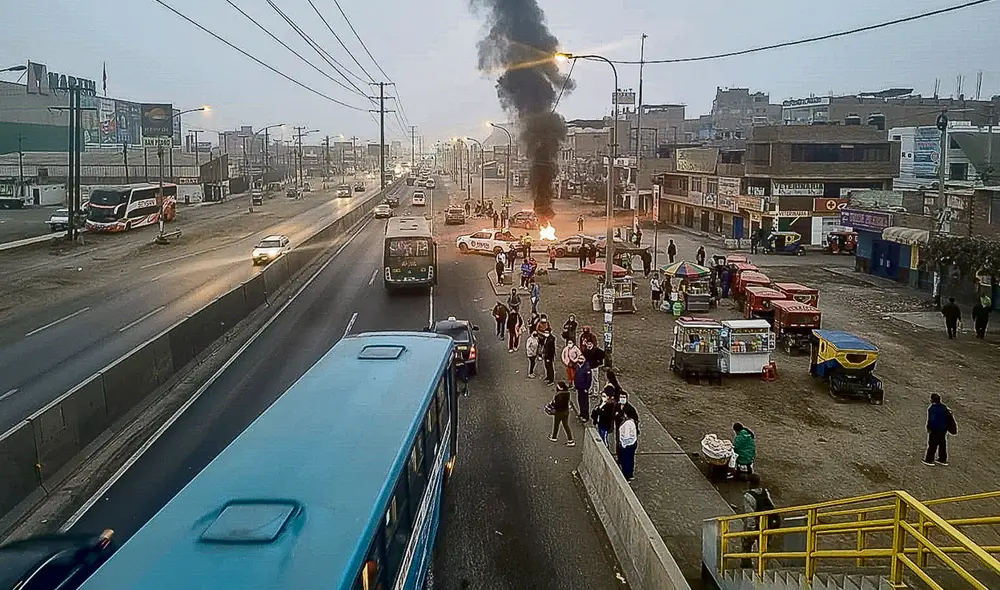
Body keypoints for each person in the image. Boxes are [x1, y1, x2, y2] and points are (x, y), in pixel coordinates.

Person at [740, 475, 780, 567]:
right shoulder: (765, 492)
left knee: (746, 545)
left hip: (757, 525)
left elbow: (750, 515)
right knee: (765, 546)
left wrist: (750, 531)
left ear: (749, 483)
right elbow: (772, 506)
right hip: (768, 524)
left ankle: (746, 565)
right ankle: (764, 566)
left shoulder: (748, 496)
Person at [923, 393, 956, 466]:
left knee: (932, 444)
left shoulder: (932, 408)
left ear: (932, 400)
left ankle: (929, 460)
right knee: (942, 444)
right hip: (943, 429)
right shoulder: (944, 407)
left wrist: (929, 428)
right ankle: (942, 459)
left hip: (935, 429)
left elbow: (931, 420)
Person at [617, 394, 639, 481]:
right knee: (631, 459)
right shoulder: (632, 422)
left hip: (627, 445)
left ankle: (626, 476)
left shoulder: (627, 424)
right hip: (633, 443)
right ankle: (630, 474)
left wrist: (623, 445)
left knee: (626, 460)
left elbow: (625, 436)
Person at [549, 382, 575, 446]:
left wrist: (553, 404)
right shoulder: (567, 393)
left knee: (556, 425)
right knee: (566, 426)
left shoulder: (558, 395)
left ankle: (554, 437)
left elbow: (557, 405)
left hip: (559, 413)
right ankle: (570, 440)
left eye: (558, 386)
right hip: (566, 411)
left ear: (561, 388)